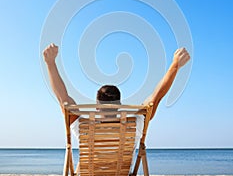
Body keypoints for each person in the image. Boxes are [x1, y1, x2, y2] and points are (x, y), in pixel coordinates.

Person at [43, 44, 190, 124]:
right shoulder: (134, 125)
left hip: (92, 169)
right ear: (119, 105)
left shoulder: (84, 127)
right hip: (122, 169)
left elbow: (63, 100)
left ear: (97, 107)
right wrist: (175, 66)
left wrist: (50, 63)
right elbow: (155, 98)